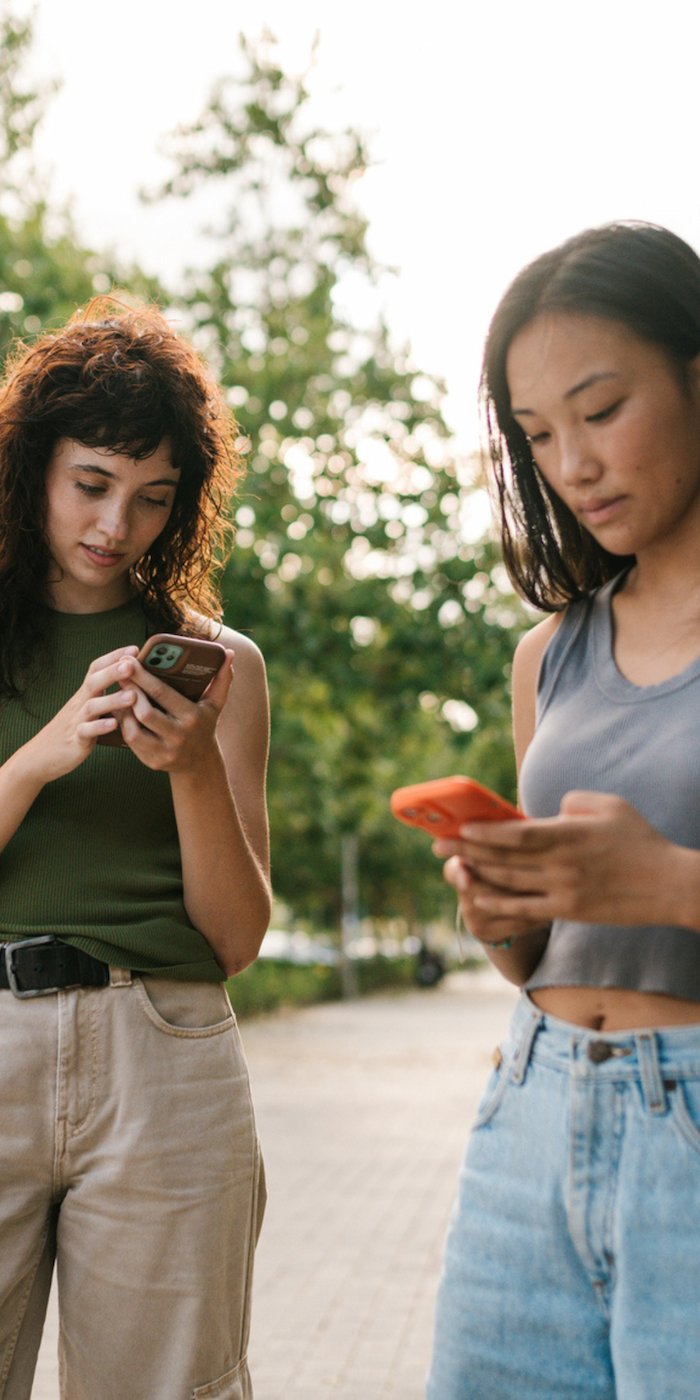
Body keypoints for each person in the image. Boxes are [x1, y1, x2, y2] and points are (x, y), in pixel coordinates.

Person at [426, 223, 700, 1400]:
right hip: (530, 1114)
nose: (571, 463)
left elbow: (644, 895)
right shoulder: (549, 655)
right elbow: (540, 951)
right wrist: (499, 909)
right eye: (538, 435)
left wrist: (667, 883)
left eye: (600, 409)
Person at [0, 298, 271, 1399]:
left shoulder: (223, 665)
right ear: (31, 467)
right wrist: (40, 757)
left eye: (155, 497)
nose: (119, 524)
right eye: (93, 483)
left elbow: (237, 935)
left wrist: (192, 764)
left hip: (166, 1049)